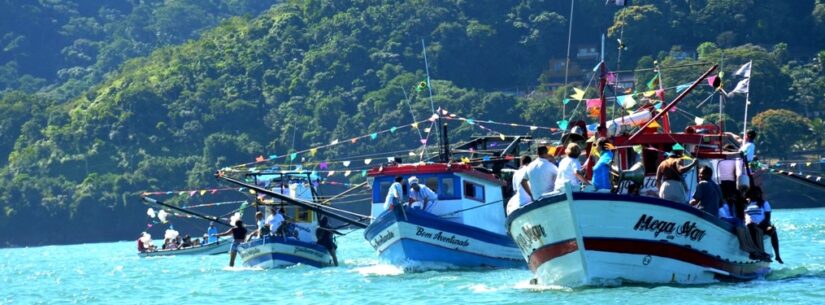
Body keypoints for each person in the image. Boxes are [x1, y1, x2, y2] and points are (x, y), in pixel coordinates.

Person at [719, 195, 770, 261]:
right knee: (740, 221)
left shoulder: (733, 207)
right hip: (726, 219)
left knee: (748, 226)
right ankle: (746, 247)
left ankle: (756, 250)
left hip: (736, 221)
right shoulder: (724, 206)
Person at [745, 186, 783, 264]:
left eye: (758, 193)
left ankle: (777, 255)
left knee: (773, 230)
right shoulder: (746, 204)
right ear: (750, 194)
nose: (756, 194)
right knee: (752, 228)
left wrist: (760, 224)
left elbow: (767, 217)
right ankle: (757, 252)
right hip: (751, 226)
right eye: (754, 193)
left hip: (763, 225)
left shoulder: (764, 203)